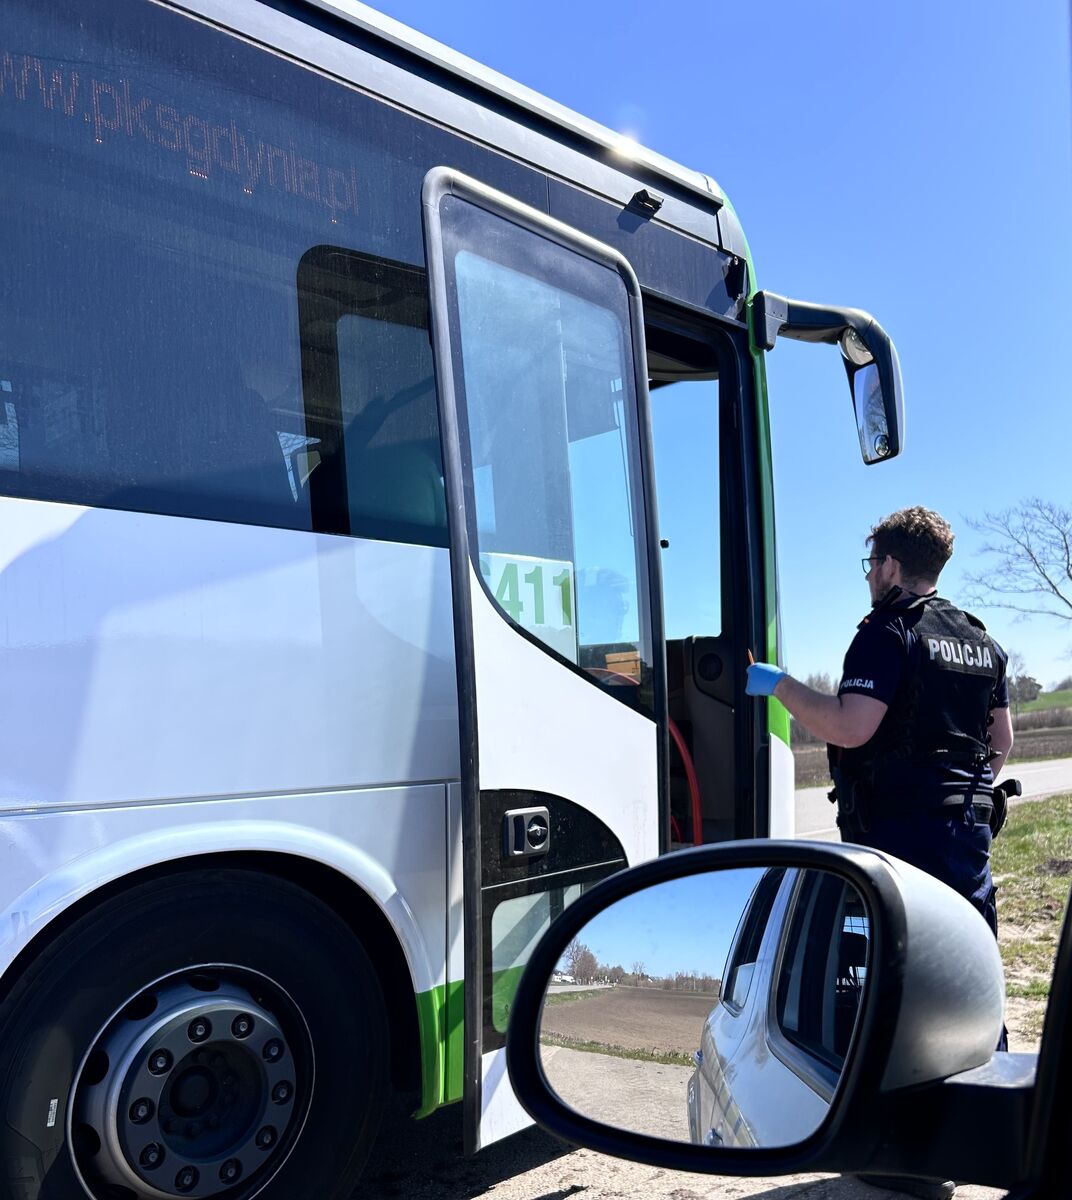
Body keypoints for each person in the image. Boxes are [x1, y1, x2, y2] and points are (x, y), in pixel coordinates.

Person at [746, 508, 1013, 1200]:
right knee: (969, 969)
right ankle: (991, 1129)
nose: (870, 576)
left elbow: (850, 727)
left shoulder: (886, 631)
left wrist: (778, 685)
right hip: (966, 834)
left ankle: (904, 1148)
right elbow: (1001, 744)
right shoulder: (980, 639)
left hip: (898, 835)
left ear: (891, 565)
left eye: (872, 565)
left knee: (900, 980)